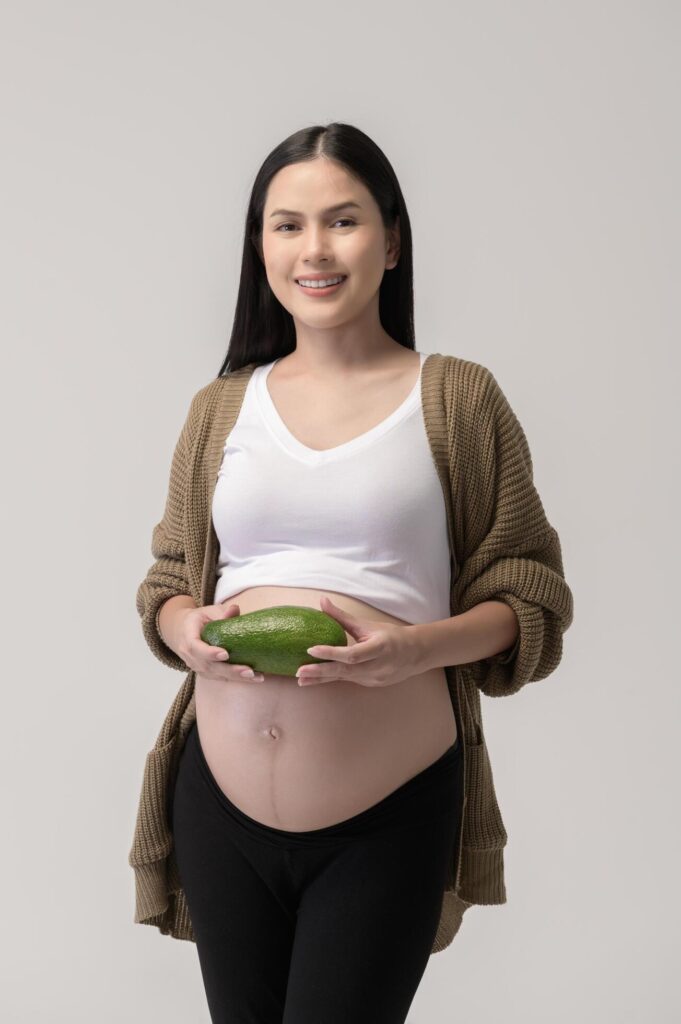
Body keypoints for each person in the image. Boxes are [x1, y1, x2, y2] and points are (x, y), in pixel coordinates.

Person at [129, 122, 574, 1024]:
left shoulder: (457, 398)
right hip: (219, 809)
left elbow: (529, 592)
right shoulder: (221, 409)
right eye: (286, 224)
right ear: (260, 246)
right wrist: (186, 629)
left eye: (343, 220)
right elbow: (169, 579)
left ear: (392, 239)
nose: (314, 249)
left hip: (387, 813)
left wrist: (411, 652)